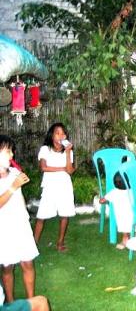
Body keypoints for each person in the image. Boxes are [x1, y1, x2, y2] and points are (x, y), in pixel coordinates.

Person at [0, 135, 39, 304]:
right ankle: (10, 302)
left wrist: (25, 214)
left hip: (20, 224)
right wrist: (13, 186)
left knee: (27, 263)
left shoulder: (14, 172)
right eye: (7, 151)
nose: (11, 156)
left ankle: (31, 302)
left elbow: (19, 196)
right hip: (4, 227)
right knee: (8, 267)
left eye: (11, 152)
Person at [33, 123, 76, 252]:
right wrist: (62, 168)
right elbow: (43, 167)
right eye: (58, 133)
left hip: (65, 186)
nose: (61, 136)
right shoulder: (45, 149)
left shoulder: (69, 151)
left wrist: (68, 153)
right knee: (41, 216)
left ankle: (60, 242)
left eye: (63, 133)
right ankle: (33, 245)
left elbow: (70, 171)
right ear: (52, 135)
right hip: (50, 187)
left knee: (65, 215)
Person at [99, 172, 132, 249]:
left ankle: (125, 240)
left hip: (121, 217)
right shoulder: (132, 191)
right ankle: (132, 237)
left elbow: (101, 201)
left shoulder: (114, 192)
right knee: (130, 225)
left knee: (124, 228)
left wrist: (104, 199)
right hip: (133, 215)